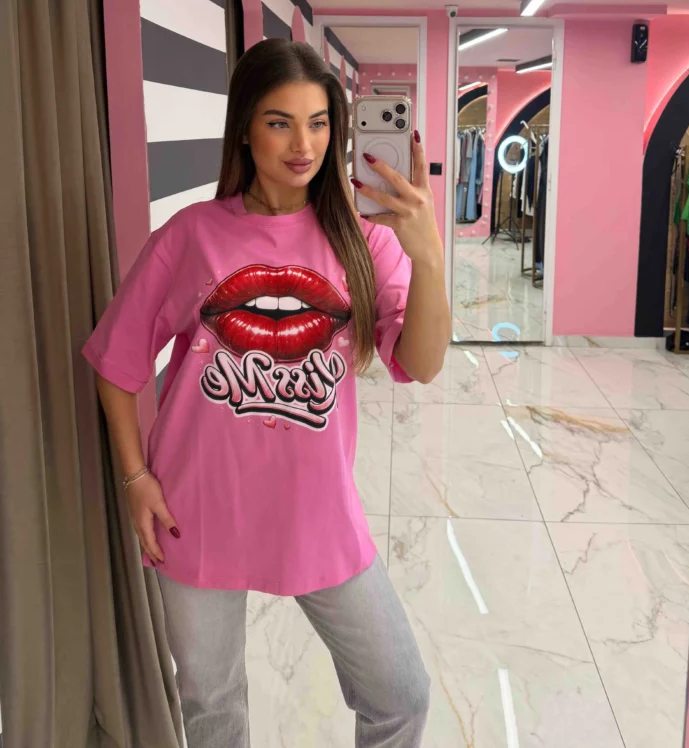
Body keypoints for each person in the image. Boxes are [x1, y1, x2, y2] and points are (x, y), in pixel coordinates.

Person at [82, 38, 451, 748]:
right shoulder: (191, 236)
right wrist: (134, 478)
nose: (303, 145)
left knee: (400, 694)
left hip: (317, 512)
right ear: (246, 129)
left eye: (319, 123)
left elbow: (423, 363)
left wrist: (428, 255)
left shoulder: (365, 242)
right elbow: (116, 362)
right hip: (196, 510)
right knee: (213, 707)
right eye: (280, 122)